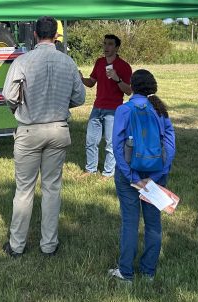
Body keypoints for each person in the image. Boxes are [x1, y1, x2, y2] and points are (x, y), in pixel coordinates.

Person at [1, 16, 85, 257]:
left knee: (24, 189)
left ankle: (17, 245)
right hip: (58, 129)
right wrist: (60, 103)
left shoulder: (23, 61)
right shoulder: (68, 62)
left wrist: (18, 107)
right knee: (52, 188)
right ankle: (49, 244)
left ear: (35, 35)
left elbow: (8, 94)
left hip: (29, 129)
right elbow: (79, 98)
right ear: (56, 36)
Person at [109, 69, 176, 282]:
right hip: (156, 173)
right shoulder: (160, 110)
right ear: (152, 86)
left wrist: (130, 175)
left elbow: (117, 145)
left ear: (132, 86)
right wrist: (159, 173)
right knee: (153, 222)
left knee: (130, 222)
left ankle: (126, 272)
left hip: (130, 174)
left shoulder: (124, 110)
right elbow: (170, 144)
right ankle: (148, 272)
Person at [79, 34, 132, 179]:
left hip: (114, 109)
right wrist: (81, 78)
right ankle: (90, 170)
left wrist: (117, 78)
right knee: (91, 141)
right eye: (104, 44)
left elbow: (128, 91)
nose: (106, 47)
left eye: (109, 44)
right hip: (97, 107)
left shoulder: (124, 66)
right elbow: (91, 82)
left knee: (110, 143)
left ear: (116, 47)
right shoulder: (99, 62)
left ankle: (108, 173)